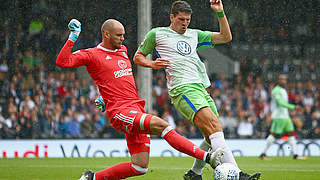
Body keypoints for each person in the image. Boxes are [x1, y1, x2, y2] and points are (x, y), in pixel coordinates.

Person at [56, 18, 224, 180]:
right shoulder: (92, 55)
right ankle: (208, 158)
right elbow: (63, 61)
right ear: (106, 34)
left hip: (136, 108)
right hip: (120, 112)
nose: (123, 39)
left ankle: (92, 177)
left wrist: (104, 97)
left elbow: (115, 79)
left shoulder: (122, 50)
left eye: (123, 35)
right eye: (118, 35)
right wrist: (73, 36)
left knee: (139, 167)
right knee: (162, 125)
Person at [133, 0, 261, 179]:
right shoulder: (157, 34)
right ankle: (238, 173)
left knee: (211, 136)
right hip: (182, 89)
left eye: (187, 20)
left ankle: (194, 173)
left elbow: (225, 37)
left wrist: (220, 12)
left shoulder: (195, 35)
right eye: (181, 19)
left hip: (201, 88)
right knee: (214, 127)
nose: (185, 23)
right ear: (172, 17)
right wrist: (152, 64)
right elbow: (138, 57)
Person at [259, 74, 304, 160]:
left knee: (291, 133)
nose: (284, 81)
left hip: (286, 117)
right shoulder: (276, 91)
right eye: (282, 80)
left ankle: (295, 154)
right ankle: (263, 153)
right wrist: (293, 107)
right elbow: (280, 103)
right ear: (278, 81)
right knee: (274, 135)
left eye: (285, 80)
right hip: (278, 117)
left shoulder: (283, 90)